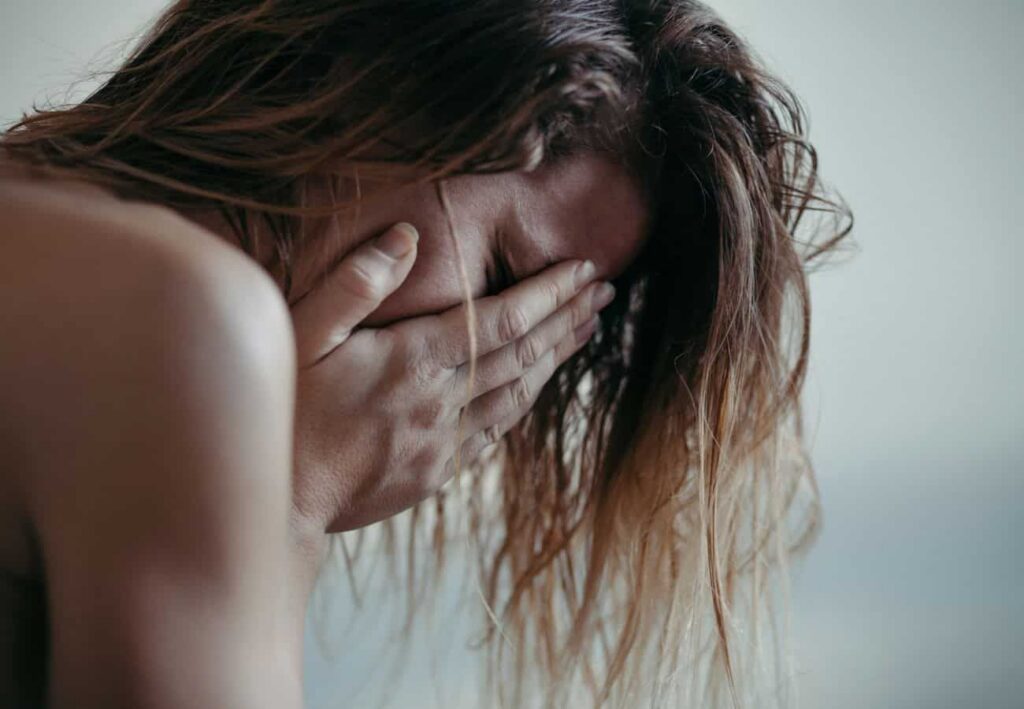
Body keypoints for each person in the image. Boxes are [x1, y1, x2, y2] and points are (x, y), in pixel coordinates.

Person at [0, 1, 849, 707]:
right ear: (376, 94)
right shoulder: (188, 319)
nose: (488, 359)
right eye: (504, 275)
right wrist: (293, 505)